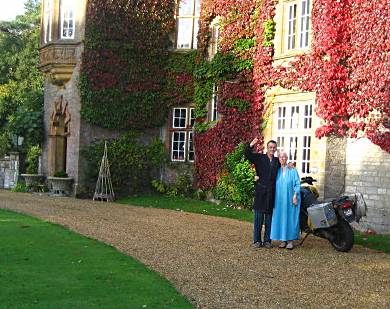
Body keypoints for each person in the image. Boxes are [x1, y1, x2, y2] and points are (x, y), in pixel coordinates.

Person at [245, 138, 280, 249]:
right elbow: (248, 155)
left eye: (274, 147)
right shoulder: (260, 158)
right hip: (261, 192)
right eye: (270, 147)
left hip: (271, 193)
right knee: (258, 218)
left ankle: (267, 241)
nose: (272, 149)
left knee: (269, 219)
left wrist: (289, 166)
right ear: (267, 148)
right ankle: (257, 241)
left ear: (276, 149)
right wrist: (251, 144)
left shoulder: (277, 161)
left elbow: (284, 167)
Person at [270, 151, 301, 250]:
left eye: (284, 157)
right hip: (279, 200)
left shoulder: (292, 170)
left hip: (290, 199)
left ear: (287, 158)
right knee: (281, 218)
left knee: (290, 218)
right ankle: (283, 240)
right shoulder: (277, 171)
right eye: (280, 157)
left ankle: (290, 241)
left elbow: (297, 184)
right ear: (278, 159)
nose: (282, 158)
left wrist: (295, 195)